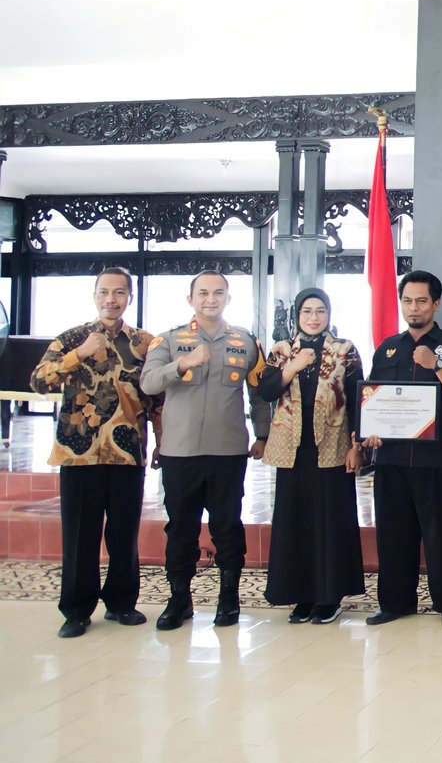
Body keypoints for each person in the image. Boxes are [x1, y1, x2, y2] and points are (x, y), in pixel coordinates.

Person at [29, 268, 161, 638]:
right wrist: (79, 354)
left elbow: (156, 399)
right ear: (94, 296)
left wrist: (162, 442)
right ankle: (76, 610)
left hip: (127, 452)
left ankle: (121, 603)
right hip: (79, 455)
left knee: (124, 534)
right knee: (79, 535)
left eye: (119, 292)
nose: (111, 299)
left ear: (129, 297)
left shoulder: (145, 343)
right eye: (104, 292)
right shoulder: (71, 338)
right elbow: (38, 381)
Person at [139, 270, 270, 631]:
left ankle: (229, 599)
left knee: (227, 526)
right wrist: (182, 363)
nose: (211, 299)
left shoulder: (246, 342)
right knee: (181, 528)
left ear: (228, 298)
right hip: (180, 453)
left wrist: (262, 434)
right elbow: (148, 383)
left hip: (227, 452)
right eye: (203, 293)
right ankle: (179, 599)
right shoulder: (168, 340)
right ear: (191, 299)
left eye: (218, 293)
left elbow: (258, 394)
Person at [363, 271, 442, 629]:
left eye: (422, 301)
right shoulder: (387, 348)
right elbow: (374, 399)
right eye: (408, 301)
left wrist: (436, 364)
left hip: (438, 460)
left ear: (436, 303)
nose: (414, 308)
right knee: (393, 535)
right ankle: (396, 602)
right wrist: (370, 432)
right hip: (392, 459)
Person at [257, 288, 365, 625]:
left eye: (320, 311)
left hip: (332, 445)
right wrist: (293, 366)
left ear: (329, 315)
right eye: (307, 311)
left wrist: (357, 445)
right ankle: (301, 595)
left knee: (331, 521)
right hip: (293, 449)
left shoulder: (345, 350)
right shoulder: (281, 351)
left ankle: (329, 597)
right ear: (297, 316)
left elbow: (358, 400)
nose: (314, 318)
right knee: (295, 522)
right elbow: (266, 390)